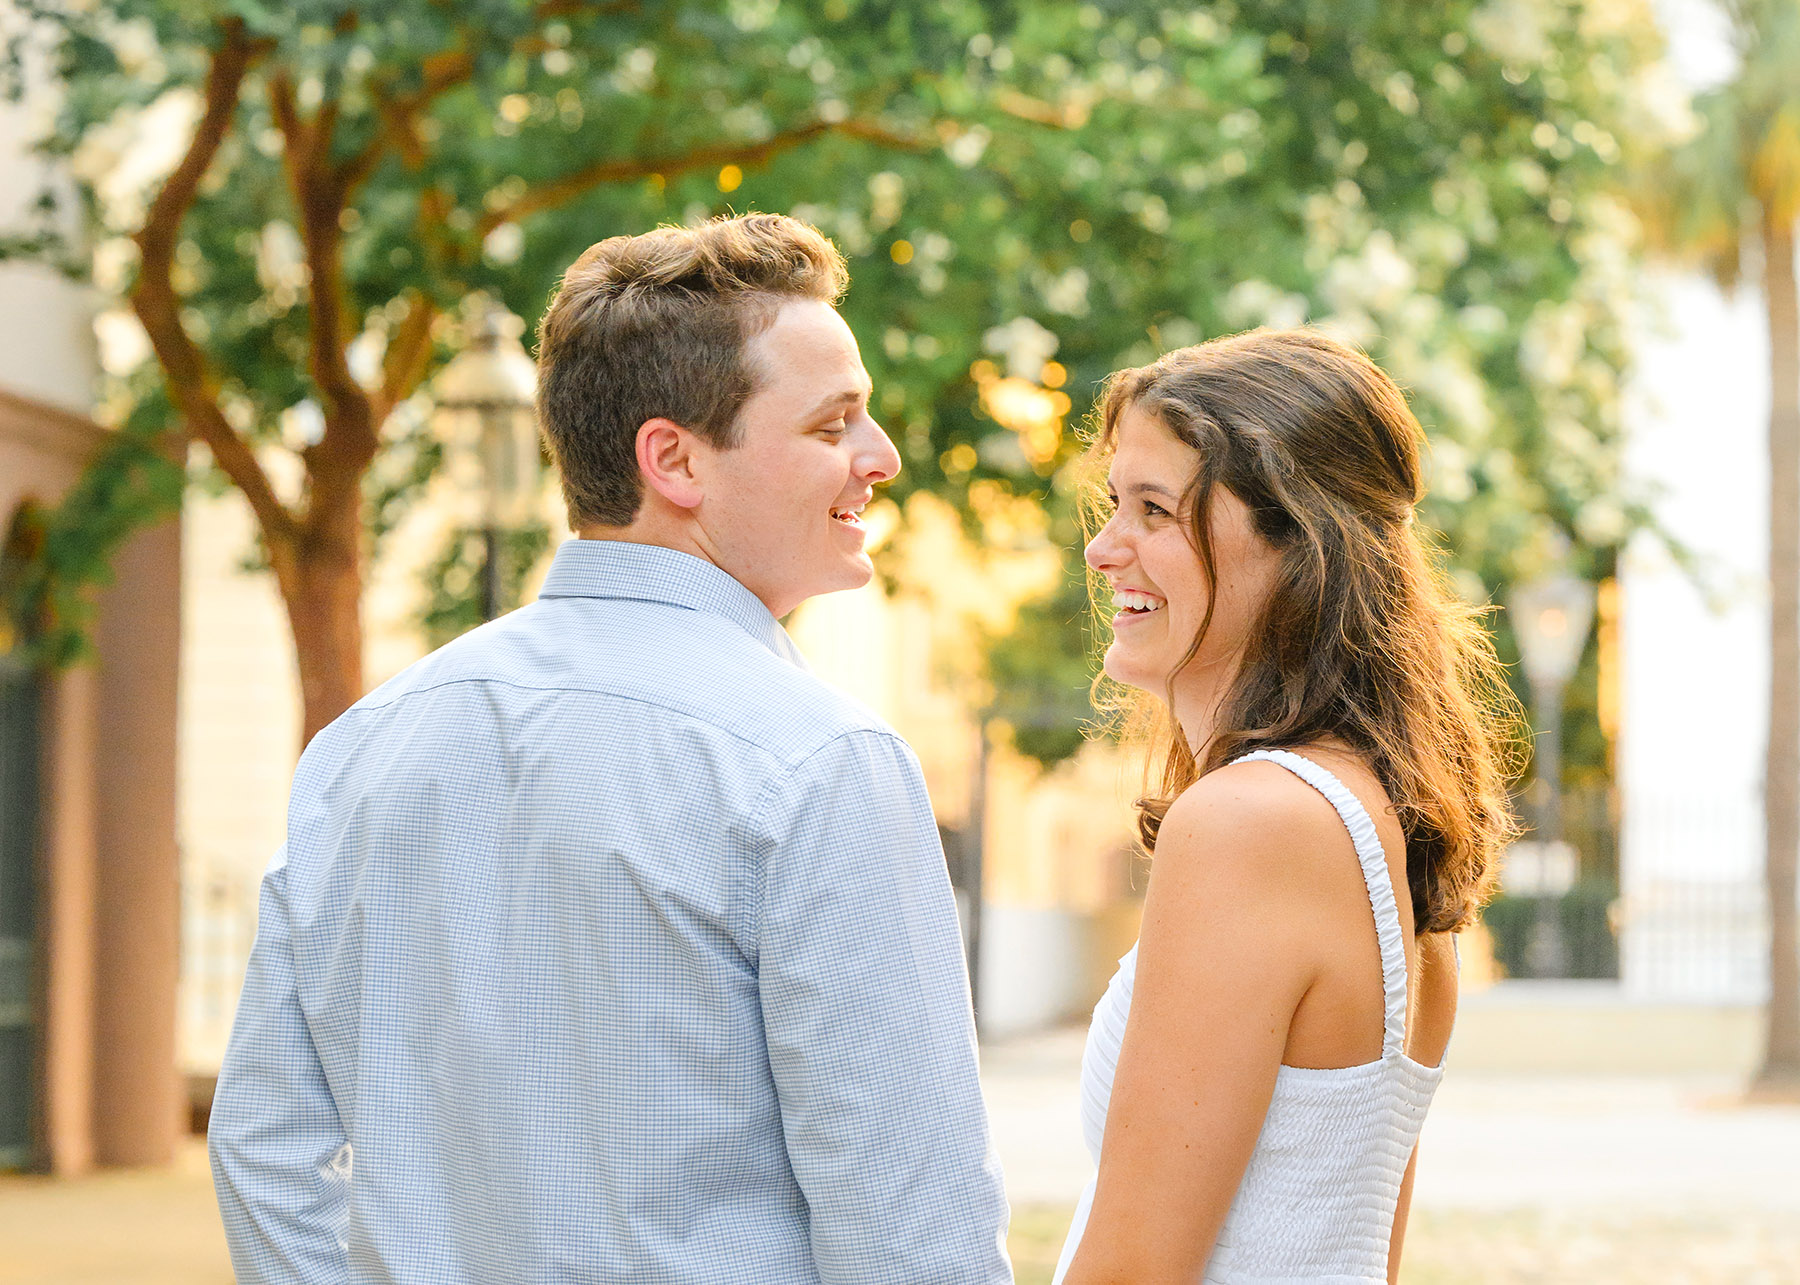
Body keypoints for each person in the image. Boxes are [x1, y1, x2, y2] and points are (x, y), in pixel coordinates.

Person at [208, 213, 1013, 1285]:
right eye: (834, 424)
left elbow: (264, 1147)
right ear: (673, 459)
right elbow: (914, 1237)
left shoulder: (363, 748)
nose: (882, 456)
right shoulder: (820, 763)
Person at [1054, 329, 1521, 1285]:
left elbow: (1135, 1271)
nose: (1104, 551)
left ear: (1298, 545)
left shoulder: (1252, 823)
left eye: (1154, 510)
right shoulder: (1375, 820)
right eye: (1113, 505)